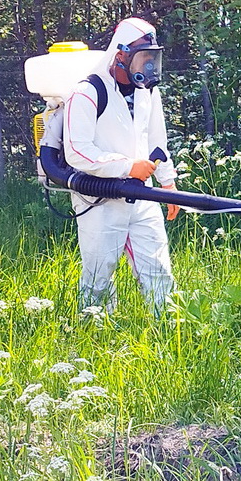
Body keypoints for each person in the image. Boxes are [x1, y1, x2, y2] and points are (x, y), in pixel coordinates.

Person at [62, 16, 182, 314]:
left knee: (158, 270)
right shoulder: (88, 92)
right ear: (121, 55)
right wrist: (127, 167)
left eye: (153, 58)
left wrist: (168, 182)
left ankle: (168, 331)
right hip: (100, 198)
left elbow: (157, 140)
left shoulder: (148, 92)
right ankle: (94, 333)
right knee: (99, 276)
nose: (149, 66)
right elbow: (77, 151)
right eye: (144, 58)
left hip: (144, 195)